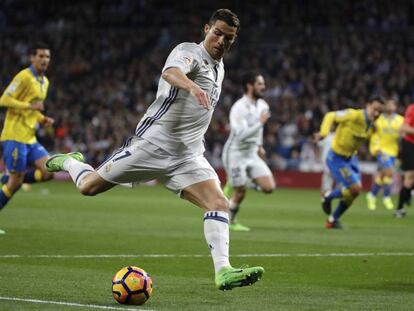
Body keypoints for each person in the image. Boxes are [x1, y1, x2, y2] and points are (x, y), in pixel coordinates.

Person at [45, 9, 264, 290]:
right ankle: (69, 161)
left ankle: (224, 272)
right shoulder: (189, 52)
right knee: (88, 187)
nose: (221, 41)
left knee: (219, 203)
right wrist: (191, 87)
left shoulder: (220, 68)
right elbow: (171, 72)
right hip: (152, 145)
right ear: (206, 28)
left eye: (228, 38)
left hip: (188, 155)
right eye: (217, 33)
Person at [0, 42, 55, 234]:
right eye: (40, 56)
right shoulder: (23, 77)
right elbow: (4, 100)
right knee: (15, 185)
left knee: (49, 171)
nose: (44, 60)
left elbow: (35, 110)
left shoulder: (44, 82)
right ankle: (11, 179)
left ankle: (8, 177)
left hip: (30, 138)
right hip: (14, 136)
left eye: (47, 57)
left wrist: (42, 118)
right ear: (32, 58)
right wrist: (29, 107)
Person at [315, 97, 384, 229]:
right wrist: (324, 133)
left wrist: (376, 150)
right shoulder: (354, 115)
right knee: (356, 188)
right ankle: (327, 196)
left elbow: (375, 138)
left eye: (379, 111)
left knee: (354, 193)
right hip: (337, 158)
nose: (376, 114)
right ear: (367, 105)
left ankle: (332, 220)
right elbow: (330, 115)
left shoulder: (374, 125)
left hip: (352, 158)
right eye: (374, 109)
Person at [221, 72, 275, 231]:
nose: (263, 87)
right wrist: (260, 122)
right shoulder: (239, 108)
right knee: (240, 191)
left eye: (263, 84)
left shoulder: (263, 105)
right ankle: (231, 221)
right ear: (249, 86)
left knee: (269, 187)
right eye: (259, 84)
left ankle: (234, 181)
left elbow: (259, 132)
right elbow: (241, 134)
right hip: (235, 153)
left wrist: (259, 146)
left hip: (252, 153)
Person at [366, 97, 404, 210]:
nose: (390, 107)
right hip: (380, 150)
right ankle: (386, 196)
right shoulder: (378, 119)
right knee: (389, 172)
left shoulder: (400, 120)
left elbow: (402, 136)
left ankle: (372, 194)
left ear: (396, 107)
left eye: (392, 105)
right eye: (388, 105)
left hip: (393, 151)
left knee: (385, 174)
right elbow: (373, 134)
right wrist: (375, 147)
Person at [395, 103, 414, 218]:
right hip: (410, 144)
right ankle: (399, 209)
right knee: (410, 175)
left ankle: (407, 194)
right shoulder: (412, 108)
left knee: (411, 178)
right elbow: (404, 127)